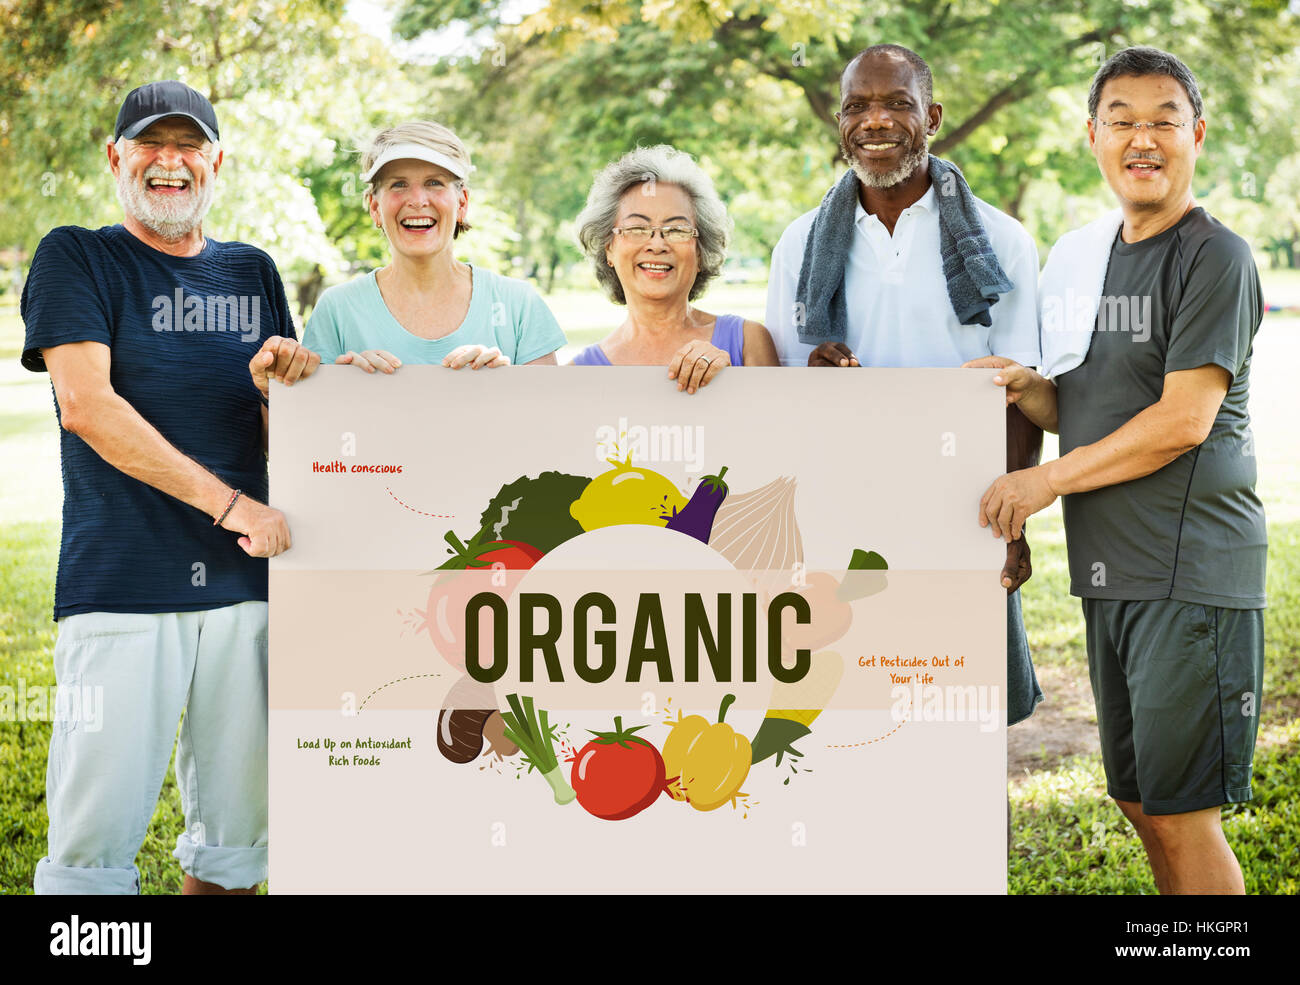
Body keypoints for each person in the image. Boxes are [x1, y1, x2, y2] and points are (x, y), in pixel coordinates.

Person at [974, 47, 1266, 894]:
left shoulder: (1216, 257)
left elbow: (1181, 421)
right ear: (1092, 137)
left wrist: (1045, 481)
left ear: (1197, 135)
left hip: (1189, 575)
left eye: (1164, 120)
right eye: (1123, 120)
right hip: (1113, 574)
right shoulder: (1090, 258)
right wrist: (1031, 391)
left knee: (1185, 812)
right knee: (1141, 800)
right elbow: (1091, 405)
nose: (1144, 138)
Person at [20, 80, 316, 894]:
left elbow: (281, 439)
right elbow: (87, 407)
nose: (171, 162)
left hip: (244, 588)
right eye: (152, 144)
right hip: (122, 586)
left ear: (216, 162)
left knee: (236, 846)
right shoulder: (76, 255)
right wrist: (231, 504)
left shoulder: (251, 271)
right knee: (91, 853)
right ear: (116, 157)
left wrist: (270, 391)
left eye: (190, 146)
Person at [764, 44, 1044, 726]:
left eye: (897, 103)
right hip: (839, 514)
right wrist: (815, 376)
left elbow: (1025, 393)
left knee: (966, 724)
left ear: (934, 116)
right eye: (858, 106)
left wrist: (1009, 523)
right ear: (839, 122)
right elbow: (777, 394)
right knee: (845, 714)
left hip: (962, 512)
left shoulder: (1002, 243)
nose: (876, 121)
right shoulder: (800, 245)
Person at [296, 121, 565, 377]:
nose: (417, 200)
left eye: (434, 182)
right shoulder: (337, 310)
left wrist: (502, 384)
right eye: (398, 184)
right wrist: (345, 387)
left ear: (462, 203)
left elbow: (550, 418)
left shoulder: (519, 306)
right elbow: (309, 421)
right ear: (375, 207)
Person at [572, 144, 778, 387]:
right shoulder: (580, 372)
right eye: (637, 229)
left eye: (677, 230)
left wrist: (733, 383)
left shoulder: (748, 342)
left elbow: (778, 423)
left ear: (701, 252)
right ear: (609, 248)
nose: (657, 244)